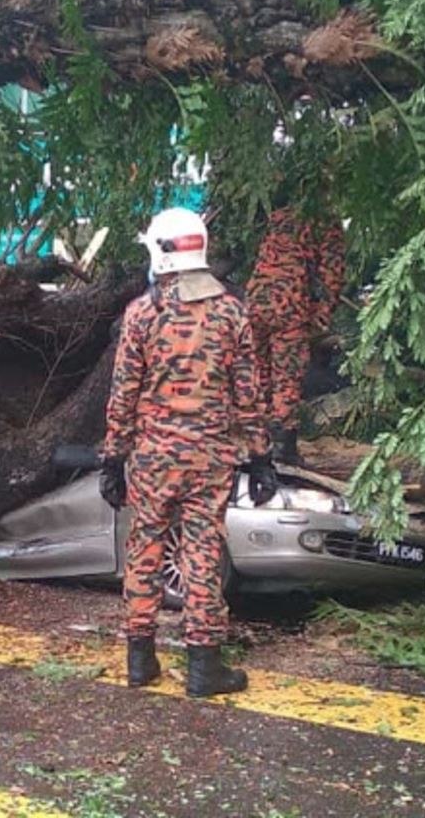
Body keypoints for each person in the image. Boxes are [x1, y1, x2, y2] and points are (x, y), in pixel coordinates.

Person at [100, 208, 278, 698]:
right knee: (201, 553)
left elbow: (123, 395)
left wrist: (113, 458)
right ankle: (204, 667)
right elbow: (249, 394)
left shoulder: (141, 313)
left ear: (160, 252)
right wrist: (260, 458)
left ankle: (140, 659)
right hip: (209, 458)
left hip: (152, 457)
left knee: (145, 550)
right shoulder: (231, 312)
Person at [246, 207, 345, 466]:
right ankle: (282, 446)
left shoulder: (281, 214)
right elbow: (332, 272)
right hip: (289, 303)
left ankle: (255, 440)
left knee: (259, 373)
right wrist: (323, 314)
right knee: (286, 376)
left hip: (256, 300)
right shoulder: (326, 219)